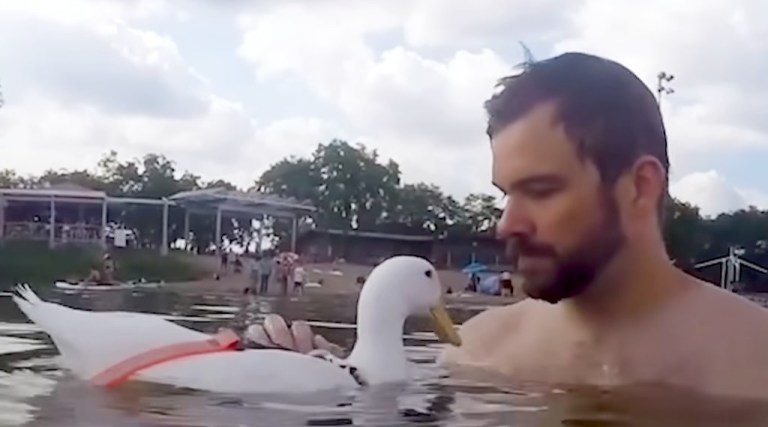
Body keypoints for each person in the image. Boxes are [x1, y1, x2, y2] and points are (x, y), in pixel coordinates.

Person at [240, 52, 768, 399]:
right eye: (505, 194)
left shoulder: (754, 364)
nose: (506, 224)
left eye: (540, 191)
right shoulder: (478, 353)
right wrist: (323, 379)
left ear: (640, 186)